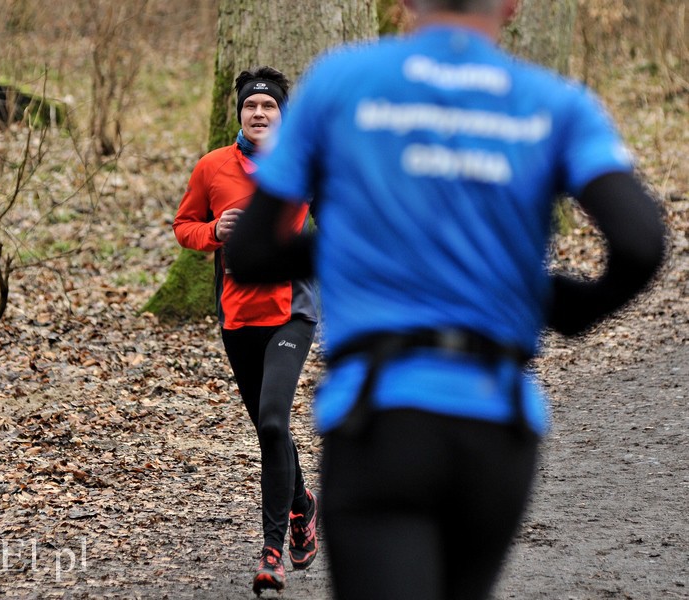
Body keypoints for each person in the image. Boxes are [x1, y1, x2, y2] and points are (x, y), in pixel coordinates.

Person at [226, 1, 666, 599]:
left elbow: (251, 251)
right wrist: (556, 304)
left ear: (406, 1)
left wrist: (363, 256)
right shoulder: (557, 103)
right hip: (496, 421)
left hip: (378, 418)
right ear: (511, 5)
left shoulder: (341, 81)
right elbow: (642, 244)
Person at [172, 65, 319, 595]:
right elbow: (183, 226)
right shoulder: (212, 167)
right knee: (268, 426)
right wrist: (213, 231)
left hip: (291, 311)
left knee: (275, 422)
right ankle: (303, 503)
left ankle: (272, 552)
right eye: (251, 107)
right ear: (239, 114)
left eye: (269, 106)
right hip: (237, 316)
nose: (259, 114)